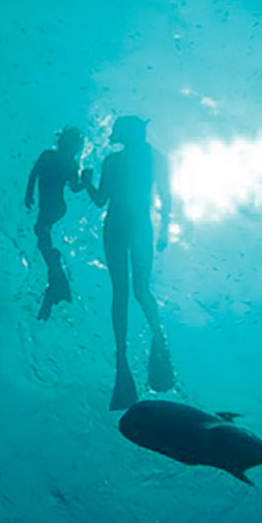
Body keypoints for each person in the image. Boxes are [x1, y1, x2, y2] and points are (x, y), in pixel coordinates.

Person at [82, 115, 174, 410]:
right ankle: (152, 342)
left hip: (120, 227)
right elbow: (165, 195)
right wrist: (164, 228)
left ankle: (129, 355)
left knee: (126, 292)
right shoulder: (153, 157)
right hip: (136, 226)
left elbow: (100, 200)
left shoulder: (118, 160)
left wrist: (86, 182)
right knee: (136, 291)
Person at [24, 126, 86, 321]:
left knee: (41, 233)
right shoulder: (69, 162)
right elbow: (75, 188)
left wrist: (29, 193)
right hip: (56, 207)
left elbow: (34, 174)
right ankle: (56, 279)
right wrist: (85, 181)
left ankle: (55, 271)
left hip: (52, 206)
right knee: (41, 235)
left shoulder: (51, 156)